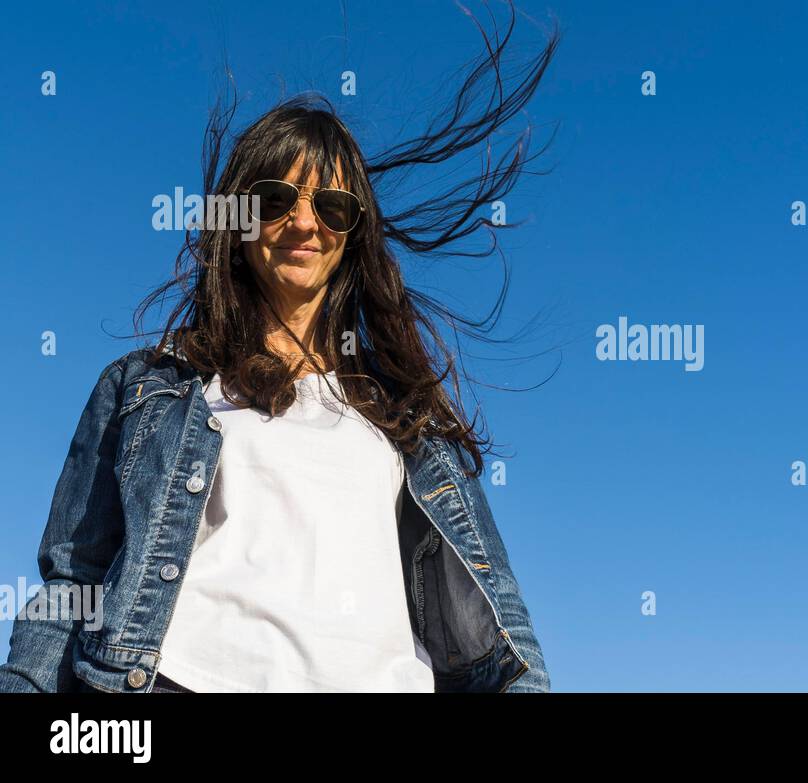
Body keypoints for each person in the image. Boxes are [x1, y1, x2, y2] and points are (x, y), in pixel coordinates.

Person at [0, 5, 558, 693]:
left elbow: (506, 635)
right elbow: (73, 584)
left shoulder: (412, 421)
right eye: (275, 198)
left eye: (332, 206)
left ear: (354, 232)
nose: (303, 222)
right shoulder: (144, 388)